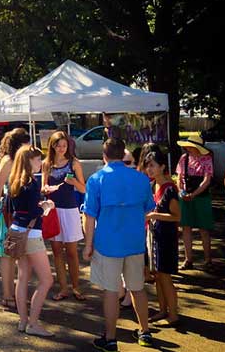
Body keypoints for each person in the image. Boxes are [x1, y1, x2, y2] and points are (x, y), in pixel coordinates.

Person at [83, 138, 155, 350]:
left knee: (111, 291)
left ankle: (111, 338)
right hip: (134, 242)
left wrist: (88, 244)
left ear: (104, 156)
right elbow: (148, 209)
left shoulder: (96, 179)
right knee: (138, 289)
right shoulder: (141, 179)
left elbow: (89, 216)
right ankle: (145, 331)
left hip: (108, 244)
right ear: (123, 154)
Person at [8, 145, 55, 337]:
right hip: (31, 234)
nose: (41, 163)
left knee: (23, 277)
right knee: (46, 280)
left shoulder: (15, 181)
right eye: (37, 159)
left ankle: (23, 320)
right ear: (28, 161)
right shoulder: (32, 183)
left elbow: (17, 208)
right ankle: (33, 323)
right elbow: (36, 212)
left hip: (17, 232)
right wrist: (47, 206)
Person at [41, 131, 87, 302]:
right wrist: (46, 189)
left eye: (64, 145)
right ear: (52, 146)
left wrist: (73, 182)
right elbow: (43, 186)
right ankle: (63, 288)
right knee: (56, 251)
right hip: (53, 211)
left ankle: (76, 287)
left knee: (72, 252)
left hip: (69, 210)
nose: (61, 149)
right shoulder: (47, 164)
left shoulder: (74, 163)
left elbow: (83, 189)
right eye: (58, 145)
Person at [0, 128, 30, 309]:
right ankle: (7, 293)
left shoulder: (21, 159)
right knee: (7, 255)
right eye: (25, 142)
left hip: (19, 211)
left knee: (16, 254)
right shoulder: (8, 161)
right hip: (7, 212)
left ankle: (14, 292)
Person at [143, 149, 181, 326]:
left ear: (162, 166)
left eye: (152, 166)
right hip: (155, 235)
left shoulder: (170, 189)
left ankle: (173, 314)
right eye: (147, 166)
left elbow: (176, 216)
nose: (149, 169)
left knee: (165, 276)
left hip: (166, 237)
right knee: (157, 275)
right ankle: (162, 310)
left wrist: (153, 216)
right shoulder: (153, 185)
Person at [175, 135, 214, 270]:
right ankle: (188, 259)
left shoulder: (207, 159)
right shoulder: (184, 159)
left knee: (204, 229)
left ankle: (208, 259)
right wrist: (181, 191)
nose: (189, 149)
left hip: (201, 197)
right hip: (186, 197)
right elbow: (179, 178)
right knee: (186, 227)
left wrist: (194, 194)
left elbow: (206, 180)